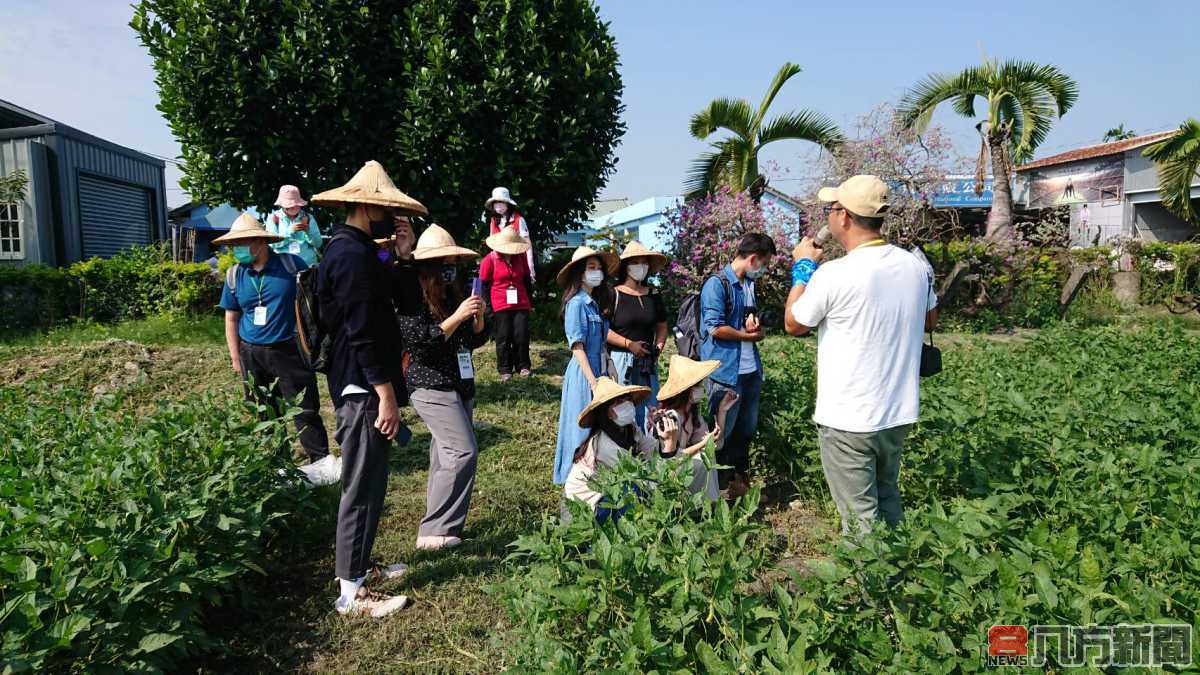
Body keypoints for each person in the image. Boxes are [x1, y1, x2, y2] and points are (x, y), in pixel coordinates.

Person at [783, 175, 939, 538]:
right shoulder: (914, 266)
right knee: (888, 499)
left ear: (845, 217)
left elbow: (793, 323)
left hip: (849, 418)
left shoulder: (834, 274)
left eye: (830, 208)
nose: (828, 216)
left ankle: (871, 592)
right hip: (897, 413)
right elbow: (930, 317)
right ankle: (899, 576)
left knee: (859, 520)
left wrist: (803, 267)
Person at [311, 160, 427, 618]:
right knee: (360, 485)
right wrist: (384, 393)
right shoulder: (349, 256)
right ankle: (351, 592)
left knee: (374, 480)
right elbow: (362, 333)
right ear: (364, 206)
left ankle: (359, 567)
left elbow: (407, 302)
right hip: (362, 386)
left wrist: (403, 254)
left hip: (366, 382)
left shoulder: (362, 251)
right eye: (383, 209)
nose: (390, 217)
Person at [395, 224, 488, 551]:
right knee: (463, 451)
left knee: (444, 454)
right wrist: (457, 317)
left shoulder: (453, 292)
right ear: (429, 264)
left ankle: (441, 528)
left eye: (453, 260)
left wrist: (476, 321)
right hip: (429, 383)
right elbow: (422, 344)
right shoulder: (412, 297)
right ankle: (436, 529)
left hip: (460, 382)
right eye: (443, 261)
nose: (450, 266)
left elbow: (472, 340)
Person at [216, 212, 330, 467]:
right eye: (234, 244)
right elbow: (231, 318)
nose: (237, 249)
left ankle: (321, 463)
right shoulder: (235, 275)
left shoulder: (292, 266)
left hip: (289, 349)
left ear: (260, 241)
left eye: (242, 243)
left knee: (304, 408)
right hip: (251, 353)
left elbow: (315, 302)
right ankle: (276, 465)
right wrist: (236, 357)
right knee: (263, 411)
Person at [699, 232, 776, 498]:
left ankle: (739, 485)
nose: (763, 270)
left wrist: (756, 329)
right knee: (721, 433)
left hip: (749, 370)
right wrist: (747, 335)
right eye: (764, 264)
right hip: (725, 372)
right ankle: (715, 489)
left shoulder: (748, 285)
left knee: (745, 431)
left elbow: (748, 322)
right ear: (754, 258)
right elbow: (715, 328)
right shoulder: (717, 284)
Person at [552, 245, 618, 485]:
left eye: (599, 268)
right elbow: (577, 346)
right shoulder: (576, 304)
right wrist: (592, 381)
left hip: (599, 370)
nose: (596, 272)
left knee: (598, 427)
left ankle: (594, 475)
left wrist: (609, 363)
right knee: (579, 426)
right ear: (580, 272)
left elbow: (600, 342)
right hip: (583, 374)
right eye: (591, 268)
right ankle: (572, 477)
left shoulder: (594, 304)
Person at [562, 377, 655, 524]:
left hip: (604, 496)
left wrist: (658, 432)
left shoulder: (628, 428)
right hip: (582, 510)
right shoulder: (604, 444)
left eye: (626, 399)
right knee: (632, 490)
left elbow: (650, 449)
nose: (626, 405)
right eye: (618, 403)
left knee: (633, 489)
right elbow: (638, 474)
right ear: (607, 413)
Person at [649, 355, 740, 501]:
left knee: (707, 455)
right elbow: (673, 459)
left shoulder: (692, 414)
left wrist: (723, 411)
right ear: (686, 390)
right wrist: (703, 444)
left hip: (676, 466)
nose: (701, 389)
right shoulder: (671, 417)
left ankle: (705, 504)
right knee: (703, 458)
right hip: (663, 472)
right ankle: (703, 506)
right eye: (697, 385)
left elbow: (715, 445)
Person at [606, 240, 669, 430]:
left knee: (649, 411)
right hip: (620, 360)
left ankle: (647, 452)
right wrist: (628, 344)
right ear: (626, 266)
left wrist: (658, 347)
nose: (640, 267)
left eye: (644, 262)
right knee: (621, 411)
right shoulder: (613, 294)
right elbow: (603, 330)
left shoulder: (653, 295)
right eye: (636, 262)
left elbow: (662, 325)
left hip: (646, 361)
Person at [479, 226, 534, 380]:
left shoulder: (521, 257)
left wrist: (530, 301)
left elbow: (526, 280)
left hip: (520, 301)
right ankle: (504, 368)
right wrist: (488, 307)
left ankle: (523, 365)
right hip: (500, 303)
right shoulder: (490, 259)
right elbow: (484, 285)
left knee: (521, 335)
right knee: (503, 337)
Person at [484, 187, 535, 283]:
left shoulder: (519, 220)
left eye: (501, 202)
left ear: (507, 204)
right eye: (495, 203)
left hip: (519, 261)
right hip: (500, 263)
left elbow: (527, 244)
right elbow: (492, 245)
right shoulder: (493, 221)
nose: (498, 206)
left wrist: (530, 266)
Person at [266, 185, 324, 266]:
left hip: (308, 265)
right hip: (283, 267)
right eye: (290, 205)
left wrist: (308, 232)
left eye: (296, 204)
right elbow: (272, 244)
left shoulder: (308, 218)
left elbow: (318, 244)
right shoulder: (274, 218)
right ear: (281, 205)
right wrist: (288, 232)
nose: (294, 207)